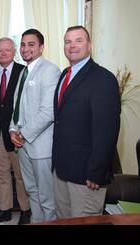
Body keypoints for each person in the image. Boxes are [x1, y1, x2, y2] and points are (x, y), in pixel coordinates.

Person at [52, 26, 121, 218]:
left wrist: (96, 171)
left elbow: (107, 131)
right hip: (61, 170)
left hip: (86, 176)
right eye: (68, 41)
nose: (72, 46)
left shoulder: (103, 79)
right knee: (62, 220)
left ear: (89, 45)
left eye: (78, 40)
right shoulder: (65, 74)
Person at [9, 29, 60, 223]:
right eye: (23, 44)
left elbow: (48, 112)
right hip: (23, 145)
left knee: (47, 197)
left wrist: (23, 134)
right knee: (32, 192)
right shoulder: (24, 71)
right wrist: (13, 130)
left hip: (41, 146)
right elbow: (17, 107)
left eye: (31, 44)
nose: (25, 48)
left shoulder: (50, 70)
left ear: (41, 47)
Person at [0, 37, 31, 224]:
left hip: (17, 133)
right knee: (1, 173)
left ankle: (25, 210)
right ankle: (5, 209)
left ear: (14, 52)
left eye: (6, 50)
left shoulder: (25, 72)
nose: (3, 53)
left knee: (21, 175)